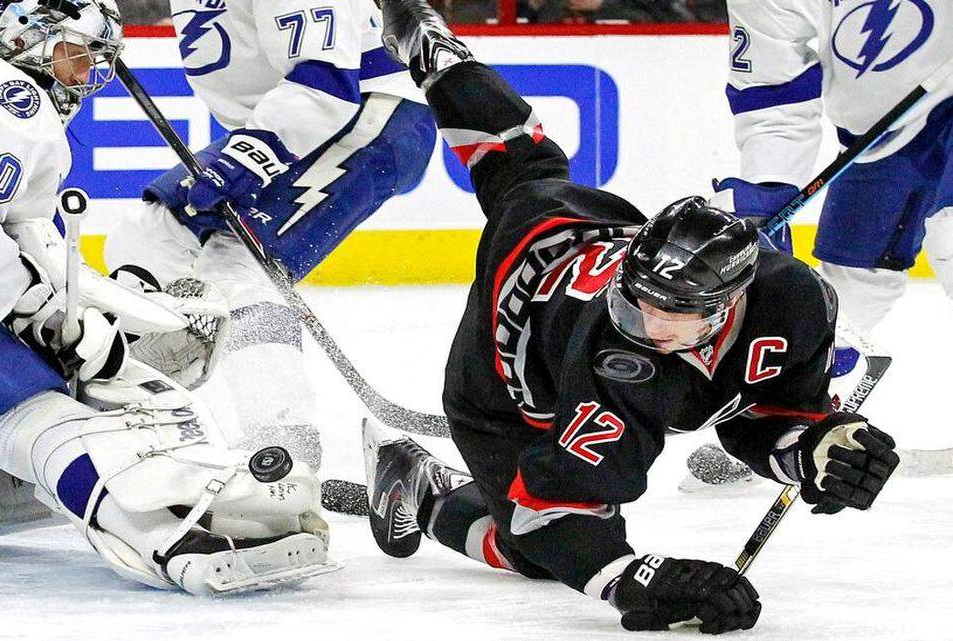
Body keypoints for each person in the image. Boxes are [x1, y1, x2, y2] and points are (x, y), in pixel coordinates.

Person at [361, 0, 901, 632]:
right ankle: (422, 487)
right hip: (501, 387)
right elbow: (552, 512)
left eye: (670, 310)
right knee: (533, 552)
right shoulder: (619, 363)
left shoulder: (793, 300)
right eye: (638, 300)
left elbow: (769, 409)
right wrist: (633, 579)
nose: (646, 322)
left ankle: (438, 58)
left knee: (523, 166)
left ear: (728, 304)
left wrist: (817, 446)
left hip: (563, 225)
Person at [0, 0, 335, 594]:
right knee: (33, 410)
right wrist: (42, 312)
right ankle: (170, 527)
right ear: (30, 35)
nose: (86, 74)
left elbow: (20, 240)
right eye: (78, 54)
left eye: (95, 61)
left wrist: (97, 313)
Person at [99, 0, 438, 469]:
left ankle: (285, 445)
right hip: (304, 123)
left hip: (364, 116)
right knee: (146, 235)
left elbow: (324, 83)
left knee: (237, 263)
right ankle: (125, 397)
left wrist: (247, 160)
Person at [713, 0, 953, 340]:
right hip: (880, 133)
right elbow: (773, 99)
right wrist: (766, 191)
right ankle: (803, 379)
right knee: (842, 300)